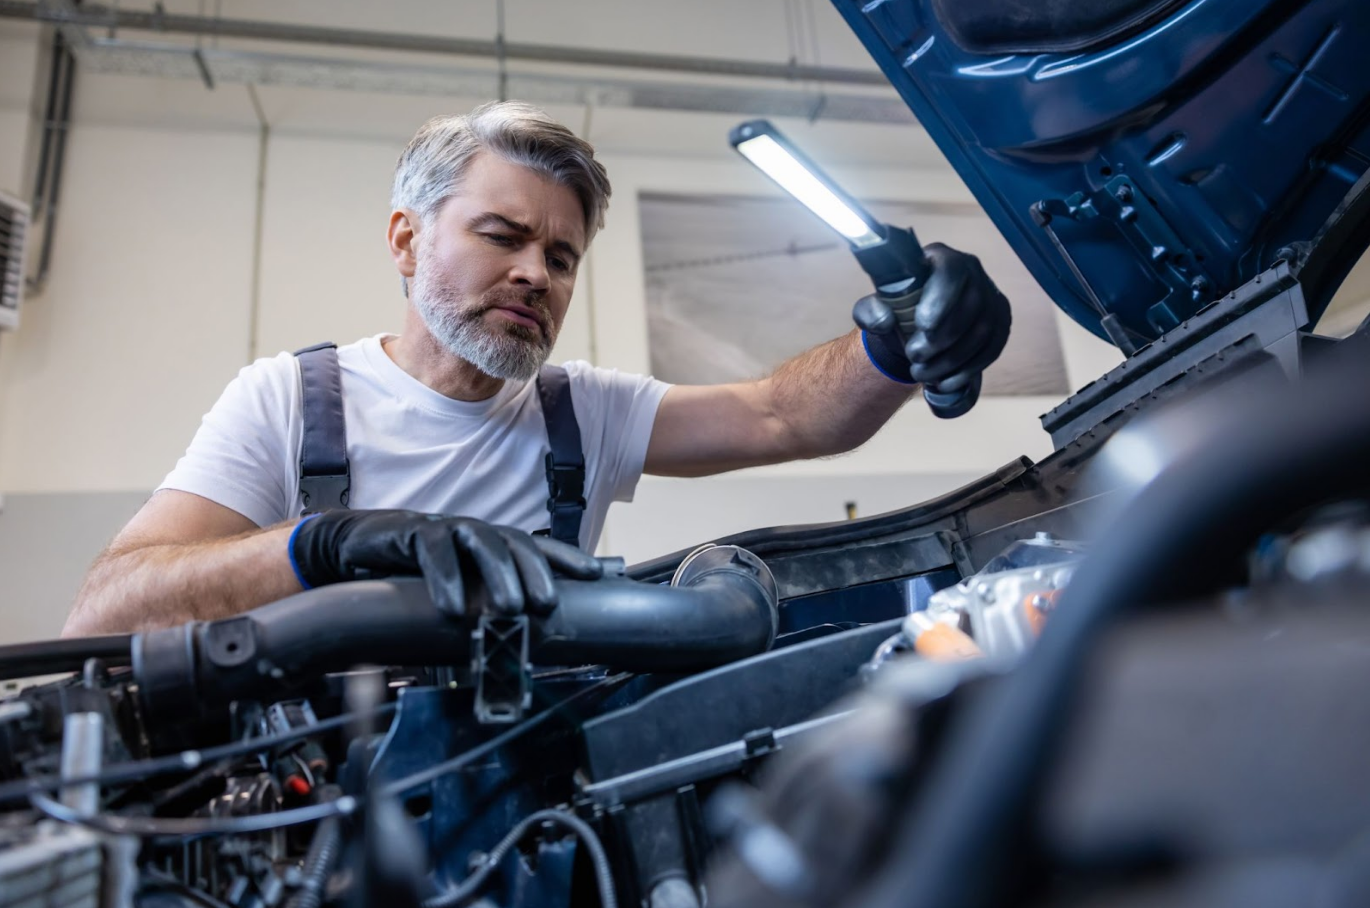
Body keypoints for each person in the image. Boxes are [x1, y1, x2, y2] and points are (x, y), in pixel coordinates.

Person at [64, 101, 1010, 637]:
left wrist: (896, 343)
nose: (534, 273)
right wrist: (330, 546)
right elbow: (105, 613)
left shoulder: (578, 415)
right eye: (503, 236)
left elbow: (782, 418)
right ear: (406, 239)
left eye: (560, 258)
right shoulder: (293, 400)